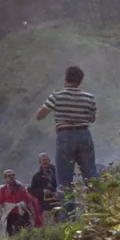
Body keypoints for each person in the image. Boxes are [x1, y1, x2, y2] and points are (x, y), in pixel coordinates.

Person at [35, 65, 97, 206]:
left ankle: (69, 218)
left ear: (65, 79)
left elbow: (40, 116)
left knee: (64, 179)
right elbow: (92, 119)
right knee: (91, 174)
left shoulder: (56, 96)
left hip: (65, 136)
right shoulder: (89, 97)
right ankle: (99, 210)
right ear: (80, 81)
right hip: (84, 134)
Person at [0, 168, 41, 234]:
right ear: (5, 178)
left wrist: (32, 211)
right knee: (11, 232)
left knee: (24, 229)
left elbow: (27, 200)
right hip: (10, 214)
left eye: (13, 175)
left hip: (22, 212)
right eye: (9, 176)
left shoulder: (21, 187)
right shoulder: (3, 189)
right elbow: (0, 203)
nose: (12, 176)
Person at [29, 152, 60, 225]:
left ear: (49, 160)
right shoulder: (36, 177)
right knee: (49, 227)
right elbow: (32, 191)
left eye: (46, 159)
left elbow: (66, 182)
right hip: (46, 207)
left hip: (60, 204)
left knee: (63, 225)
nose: (45, 161)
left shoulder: (58, 171)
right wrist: (43, 191)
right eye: (43, 160)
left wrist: (60, 190)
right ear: (39, 162)